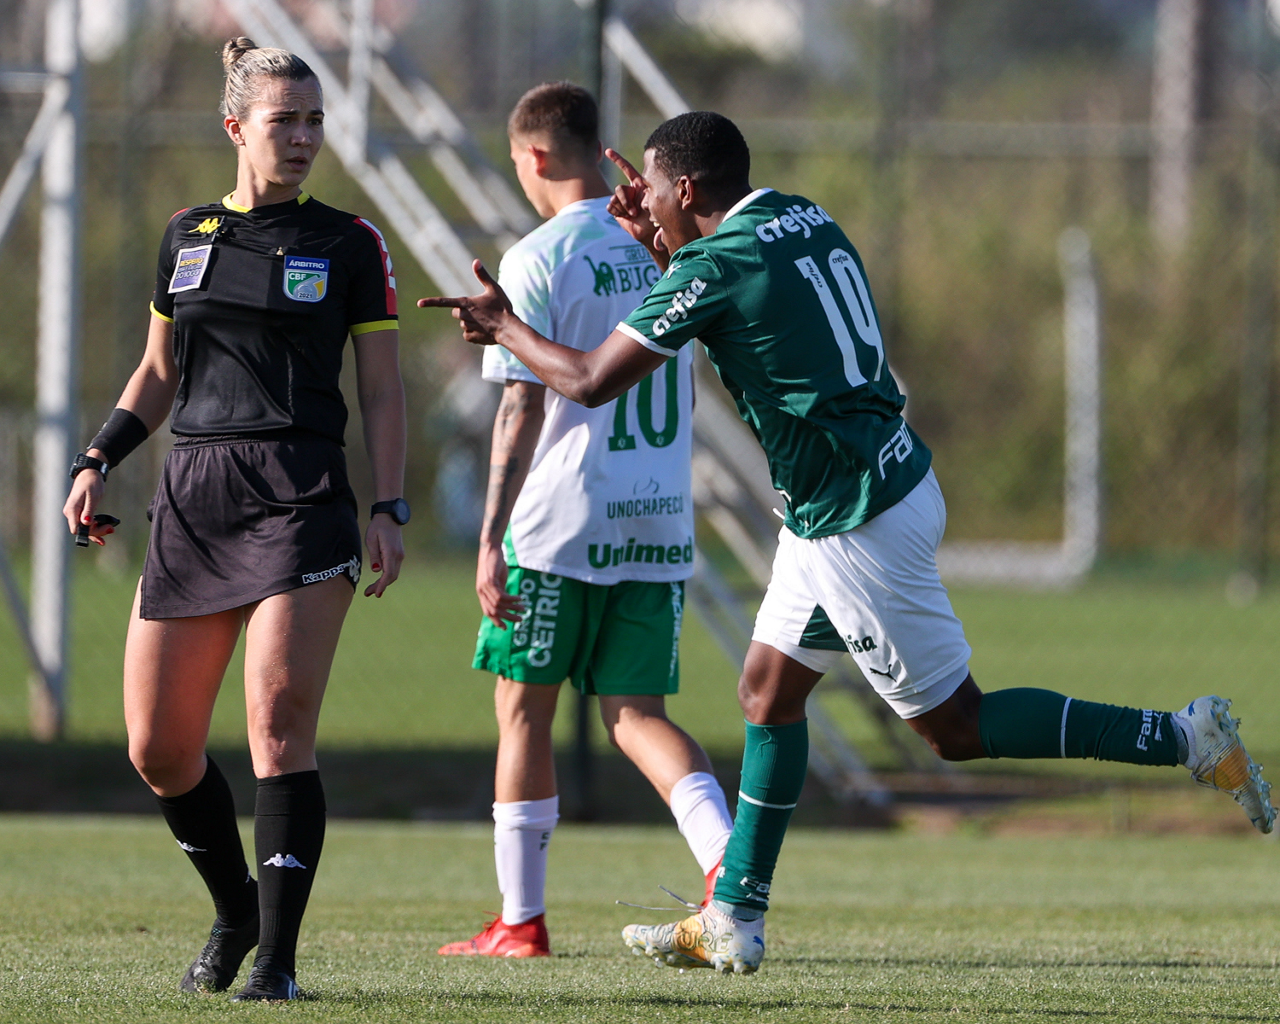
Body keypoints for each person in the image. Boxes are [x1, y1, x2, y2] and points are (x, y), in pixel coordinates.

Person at [419, 110, 1275, 976]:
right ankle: (734, 916)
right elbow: (747, 299)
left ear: (687, 188)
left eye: (652, 189)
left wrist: (504, 326)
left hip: (853, 518)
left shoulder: (717, 264)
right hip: (876, 484)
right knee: (767, 692)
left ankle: (1184, 737)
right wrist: (662, 244)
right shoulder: (798, 213)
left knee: (956, 726)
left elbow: (588, 379)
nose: (636, 199)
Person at [63, 38, 407, 1001]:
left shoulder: (349, 241)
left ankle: (276, 965)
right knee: (158, 748)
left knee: (276, 722)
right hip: (195, 495)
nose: (303, 138)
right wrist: (96, 458)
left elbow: (382, 391)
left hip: (301, 494)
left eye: (314, 121)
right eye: (283, 120)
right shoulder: (187, 233)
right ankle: (235, 909)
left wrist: (389, 504)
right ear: (235, 127)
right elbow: (157, 371)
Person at [435, 83, 732, 960]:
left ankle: (520, 921)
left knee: (523, 710)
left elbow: (521, 406)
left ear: (533, 155)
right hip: (659, 518)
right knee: (637, 713)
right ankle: (729, 865)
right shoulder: (665, 245)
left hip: (560, 526)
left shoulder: (540, 255)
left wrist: (488, 538)